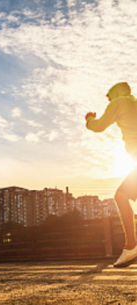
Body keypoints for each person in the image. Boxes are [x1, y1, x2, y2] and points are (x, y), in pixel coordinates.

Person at [85, 82, 137, 268]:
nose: (107, 99)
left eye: (109, 95)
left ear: (116, 93)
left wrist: (89, 119)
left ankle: (131, 246)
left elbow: (98, 126)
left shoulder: (118, 102)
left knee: (121, 195)